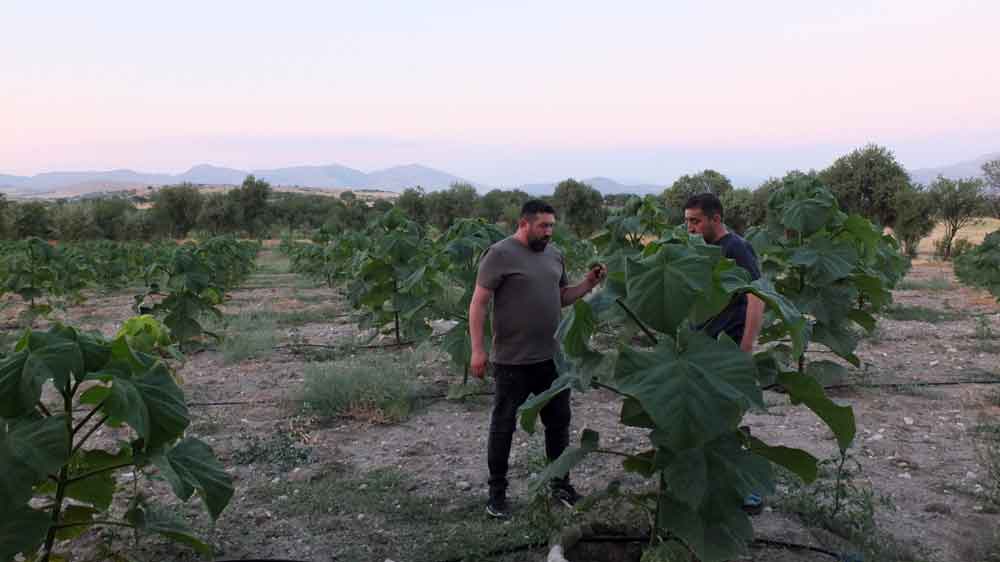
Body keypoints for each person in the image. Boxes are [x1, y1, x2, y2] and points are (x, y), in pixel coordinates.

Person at [469, 199, 606, 519]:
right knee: (503, 426)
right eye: (543, 226)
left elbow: (561, 297)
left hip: (552, 358)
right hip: (512, 361)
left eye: (552, 226)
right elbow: (478, 304)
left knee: (558, 425)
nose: (549, 232)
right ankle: (497, 493)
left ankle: (560, 484)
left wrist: (588, 283)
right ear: (524, 224)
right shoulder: (499, 254)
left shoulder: (554, 255)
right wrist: (478, 348)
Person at [683, 192, 766, 514]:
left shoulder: (736, 248)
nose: (689, 227)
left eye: (695, 221)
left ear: (715, 219)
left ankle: (747, 488)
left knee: (726, 421)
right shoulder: (696, 248)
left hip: (727, 348)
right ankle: (703, 486)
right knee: (701, 417)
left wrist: (745, 349)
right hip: (701, 346)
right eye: (687, 220)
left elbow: (756, 298)